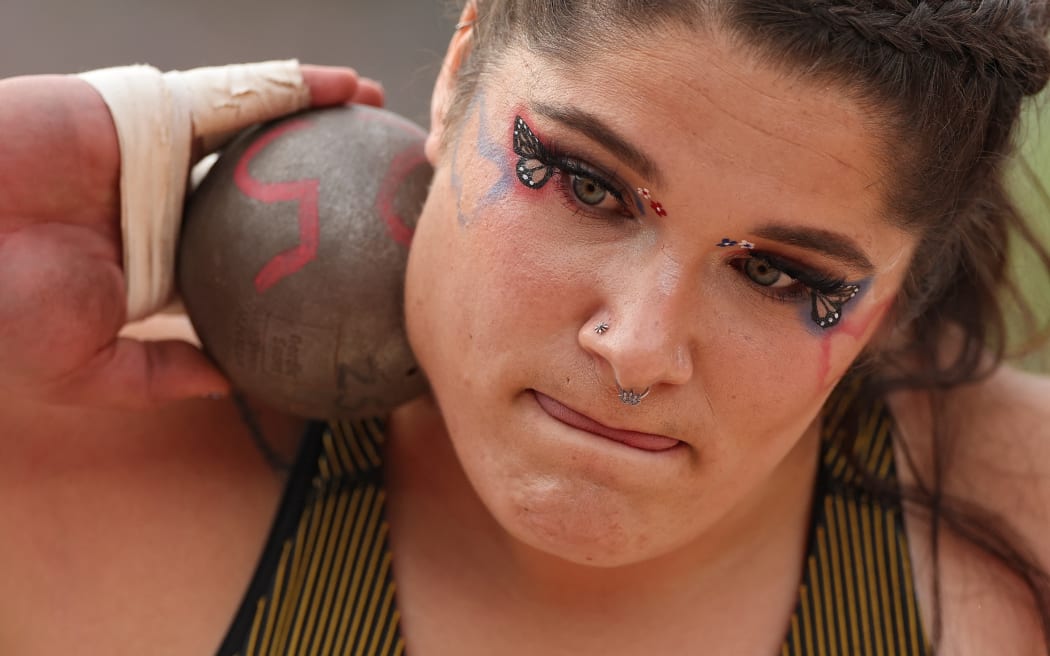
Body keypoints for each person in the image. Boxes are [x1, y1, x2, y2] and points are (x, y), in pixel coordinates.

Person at [2, 0, 1050, 654]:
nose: (637, 344)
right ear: (462, 62)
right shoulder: (64, 465)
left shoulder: (1024, 541)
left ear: (906, 280)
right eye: (587, 184)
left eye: (780, 273)